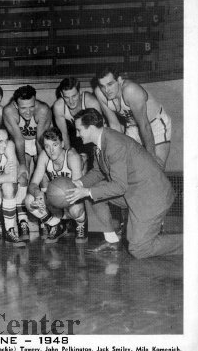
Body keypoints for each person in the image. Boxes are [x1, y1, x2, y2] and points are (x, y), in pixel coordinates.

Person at [66, 108, 182, 259]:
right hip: (135, 193)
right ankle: (112, 241)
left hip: (152, 198)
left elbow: (119, 187)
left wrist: (87, 191)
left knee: (138, 249)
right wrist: (79, 183)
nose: (77, 134)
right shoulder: (100, 142)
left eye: (79, 130)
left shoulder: (114, 144)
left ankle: (190, 242)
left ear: (92, 128)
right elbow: (98, 172)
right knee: (94, 192)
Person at [94, 66, 171, 169]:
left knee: (156, 169)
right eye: (102, 86)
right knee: (127, 166)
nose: (106, 90)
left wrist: (151, 156)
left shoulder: (131, 91)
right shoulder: (99, 93)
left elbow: (144, 125)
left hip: (155, 124)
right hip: (132, 126)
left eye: (110, 84)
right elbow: (114, 124)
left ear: (119, 80)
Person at [3, 85, 52, 239]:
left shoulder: (43, 110)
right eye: (23, 108)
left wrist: (40, 166)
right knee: (21, 177)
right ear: (16, 105)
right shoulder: (8, 111)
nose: (28, 112)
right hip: (21, 143)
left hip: (39, 143)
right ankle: (22, 220)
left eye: (31, 107)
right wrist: (23, 164)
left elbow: (40, 141)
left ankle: (46, 220)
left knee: (43, 178)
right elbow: (18, 139)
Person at [26, 127, 87, 244]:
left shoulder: (72, 157)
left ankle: (81, 224)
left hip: (72, 199)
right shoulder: (44, 156)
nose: (51, 150)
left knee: (76, 210)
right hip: (56, 200)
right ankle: (56, 224)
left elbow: (78, 190)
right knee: (29, 200)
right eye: (47, 146)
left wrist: (58, 197)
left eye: (55, 145)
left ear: (62, 144)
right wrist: (37, 194)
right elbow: (33, 184)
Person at [52, 77, 102, 170]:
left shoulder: (90, 102)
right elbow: (64, 135)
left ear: (80, 92)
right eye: (67, 97)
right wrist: (70, 157)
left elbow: (99, 133)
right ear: (62, 95)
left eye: (74, 96)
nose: (71, 101)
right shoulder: (58, 106)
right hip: (72, 137)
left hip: (90, 136)